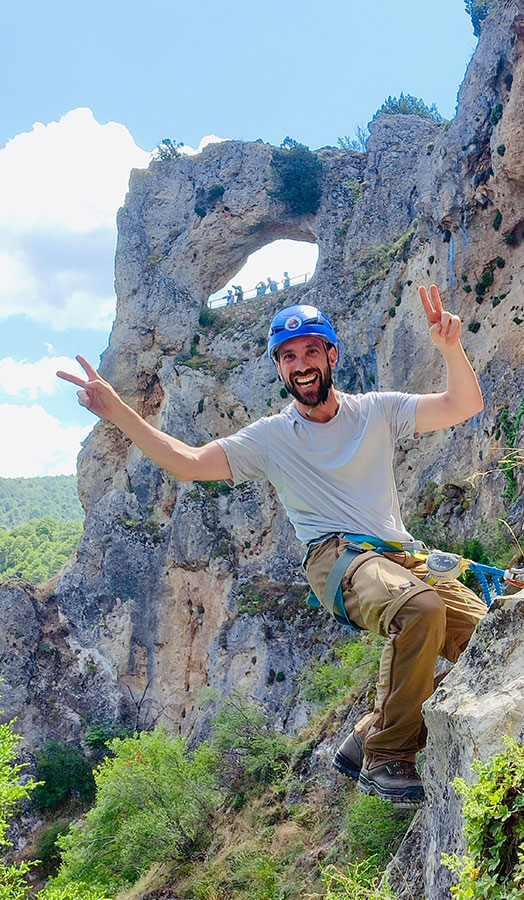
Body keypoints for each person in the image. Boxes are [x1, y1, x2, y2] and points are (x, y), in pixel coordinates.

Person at [57, 285, 486, 808]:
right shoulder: (271, 438)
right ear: (279, 371)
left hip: (400, 553)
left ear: (331, 355)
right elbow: (189, 463)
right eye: (287, 357)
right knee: (420, 609)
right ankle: (388, 755)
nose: (300, 364)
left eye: (310, 351)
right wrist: (119, 412)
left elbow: (464, 405)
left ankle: (370, 730)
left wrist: (449, 349)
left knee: (485, 640)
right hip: (339, 559)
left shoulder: (376, 411)